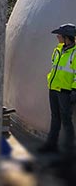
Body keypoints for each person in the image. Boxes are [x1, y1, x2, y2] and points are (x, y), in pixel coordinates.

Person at [38, 23, 76, 154]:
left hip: (65, 92)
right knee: (55, 118)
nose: (57, 37)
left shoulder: (75, 53)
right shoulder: (58, 50)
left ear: (67, 37)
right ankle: (51, 145)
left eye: (60, 35)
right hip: (53, 88)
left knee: (66, 120)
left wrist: (74, 90)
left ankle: (68, 151)